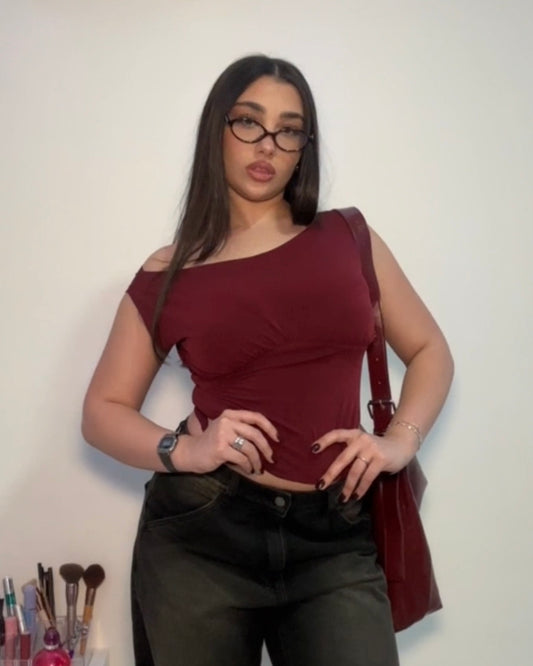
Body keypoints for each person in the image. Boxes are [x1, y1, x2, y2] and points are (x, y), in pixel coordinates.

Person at [82, 54, 453, 666]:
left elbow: (430, 349)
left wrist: (400, 441)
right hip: (204, 538)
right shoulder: (170, 270)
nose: (268, 145)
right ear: (218, 131)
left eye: (289, 130)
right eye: (249, 122)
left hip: (335, 537)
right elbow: (102, 410)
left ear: (304, 148)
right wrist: (185, 450)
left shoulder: (349, 237)